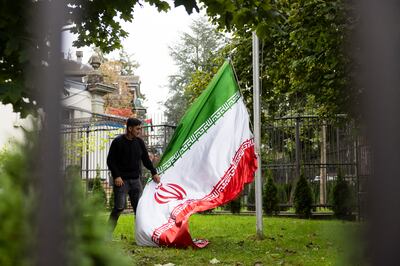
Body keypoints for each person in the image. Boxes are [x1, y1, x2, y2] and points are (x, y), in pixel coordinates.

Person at [107, 117, 160, 231]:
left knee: (139, 209)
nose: (139, 131)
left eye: (140, 129)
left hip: (136, 181)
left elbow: (145, 160)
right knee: (119, 207)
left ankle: (141, 235)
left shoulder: (139, 142)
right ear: (130, 128)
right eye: (137, 129)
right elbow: (110, 161)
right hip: (121, 181)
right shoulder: (118, 142)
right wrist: (116, 176)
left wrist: (153, 172)